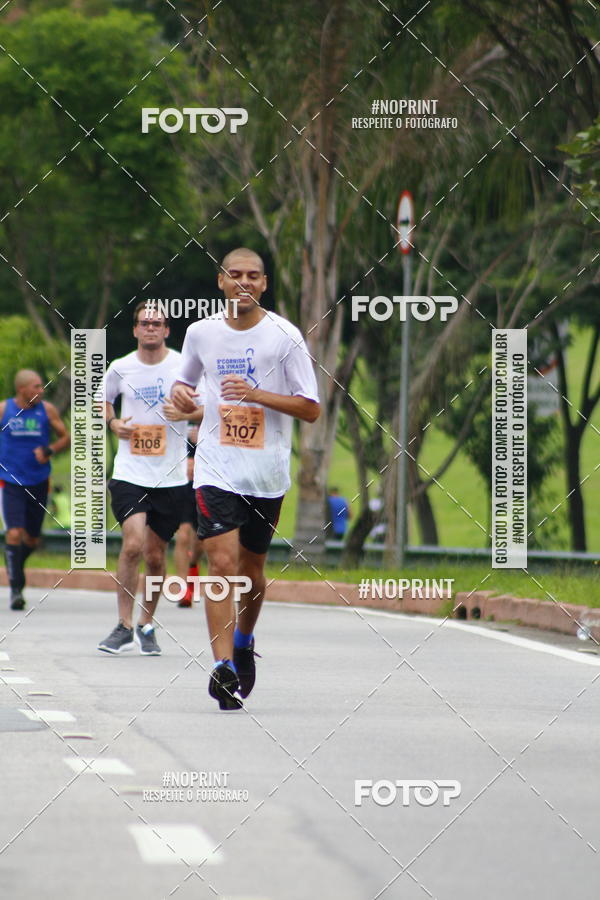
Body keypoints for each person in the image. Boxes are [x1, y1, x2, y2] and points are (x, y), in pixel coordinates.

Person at [172, 247, 320, 710]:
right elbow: (186, 384)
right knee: (221, 563)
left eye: (252, 276)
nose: (243, 283)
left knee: (252, 573)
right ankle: (222, 666)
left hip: (266, 472)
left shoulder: (284, 336)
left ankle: (243, 639)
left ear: (264, 283)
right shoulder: (200, 333)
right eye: (234, 275)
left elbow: (311, 408)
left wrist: (257, 394)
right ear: (220, 281)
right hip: (216, 466)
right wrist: (180, 395)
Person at [98, 302, 202, 655]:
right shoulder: (120, 367)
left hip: (171, 477)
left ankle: (146, 624)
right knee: (132, 546)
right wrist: (113, 424)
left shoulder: (183, 367)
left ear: (167, 330)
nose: (151, 329)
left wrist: (189, 411)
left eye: (157, 323)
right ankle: (123, 624)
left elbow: (208, 406)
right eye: (145, 323)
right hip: (130, 473)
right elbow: (102, 401)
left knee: (156, 557)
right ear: (135, 329)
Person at [0, 370, 69, 610]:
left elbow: (65, 437)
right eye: (36, 387)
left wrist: (50, 450)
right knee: (14, 534)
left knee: (32, 538)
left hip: (39, 480)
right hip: (10, 481)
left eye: (42, 387)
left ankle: (15, 565)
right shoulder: (4, 410)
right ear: (22, 390)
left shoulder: (47, 410)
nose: (41, 391)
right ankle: (16, 588)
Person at [174, 424, 205, 608]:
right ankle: (183, 588)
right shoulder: (176, 402)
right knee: (183, 534)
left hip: (205, 484)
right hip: (182, 484)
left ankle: (193, 565)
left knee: (200, 541)